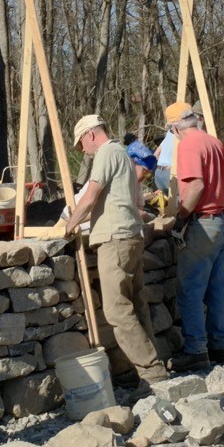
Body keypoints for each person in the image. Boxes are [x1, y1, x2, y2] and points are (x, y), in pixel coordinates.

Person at [64, 116, 169, 393]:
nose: (83, 151)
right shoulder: (122, 155)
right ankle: (137, 369)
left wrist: (69, 225)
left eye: (81, 145)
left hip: (115, 239)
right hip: (130, 235)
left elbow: (90, 196)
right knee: (135, 305)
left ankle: (152, 372)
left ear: (90, 135)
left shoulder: (106, 152)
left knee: (116, 310)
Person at [163, 101, 224, 372]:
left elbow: (195, 186)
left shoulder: (189, 145)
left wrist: (180, 219)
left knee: (190, 289)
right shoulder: (213, 142)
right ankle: (221, 346)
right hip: (221, 219)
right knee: (216, 288)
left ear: (174, 127)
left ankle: (196, 350)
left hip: (202, 223)